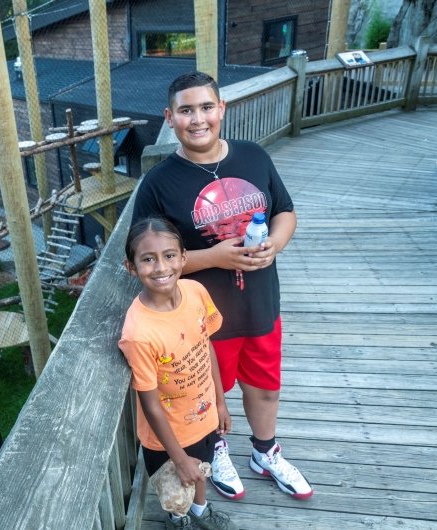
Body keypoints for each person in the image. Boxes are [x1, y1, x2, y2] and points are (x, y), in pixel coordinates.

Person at [132, 71, 313, 501]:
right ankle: (216, 451)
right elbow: (138, 260)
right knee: (206, 394)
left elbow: (285, 211)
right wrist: (214, 257)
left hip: (262, 304)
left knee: (265, 386)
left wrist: (275, 244)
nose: (198, 119)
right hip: (201, 319)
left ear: (222, 110)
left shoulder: (254, 157)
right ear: (170, 118)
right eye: (186, 110)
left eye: (206, 107)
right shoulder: (158, 183)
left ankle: (265, 452)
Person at [118, 217, 237, 530]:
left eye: (169, 255)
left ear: (184, 257)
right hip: (166, 436)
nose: (161, 267)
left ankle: (201, 511)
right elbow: (150, 404)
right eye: (148, 259)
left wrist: (220, 402)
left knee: (202, 471)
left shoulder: (195, 292)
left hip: (204, 417)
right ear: (131, 267)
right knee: (176, 487)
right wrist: (179, 458)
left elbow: (205, 345)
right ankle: (179, 520)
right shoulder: (139, 332)